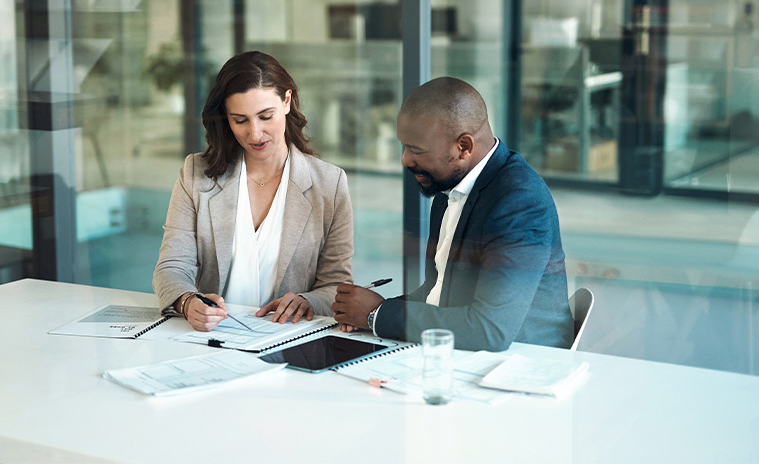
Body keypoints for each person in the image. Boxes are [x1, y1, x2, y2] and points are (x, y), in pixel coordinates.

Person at [332, 77, 573, 351]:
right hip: (465, 356)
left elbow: (489, 330)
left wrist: (378, 315)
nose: (405, 160)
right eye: (404, 146)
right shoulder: (450, 187)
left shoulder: (519, 203)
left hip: (522, 366)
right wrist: (372, 311)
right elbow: (439, 290)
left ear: (464, 147)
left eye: (416, 150)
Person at [154, 51, 353, 331]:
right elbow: (171, 267)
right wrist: (187, 302)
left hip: (290, 340)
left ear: (287, 101)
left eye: (265, 116)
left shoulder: (330, 184)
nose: (255, 134)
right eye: (240, 120)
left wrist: (308, 301)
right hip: (213, 339)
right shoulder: (195, 174)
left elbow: (337, 285)